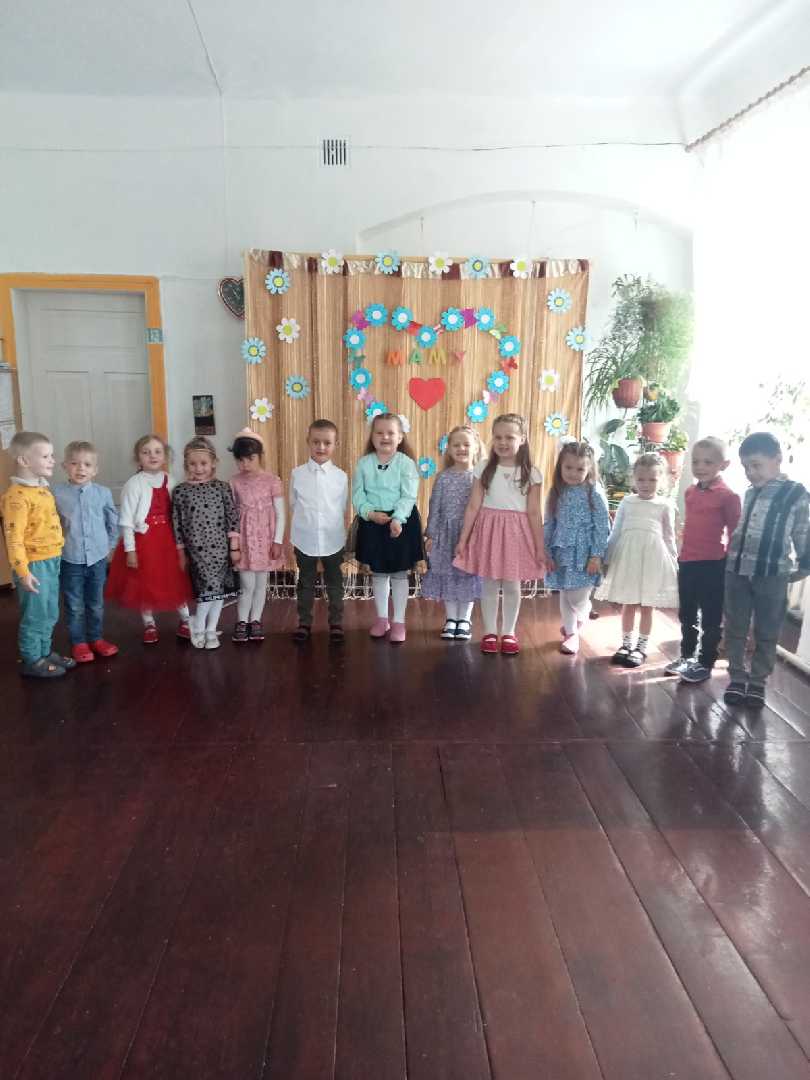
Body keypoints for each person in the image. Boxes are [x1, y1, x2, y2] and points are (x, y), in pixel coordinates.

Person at [723, 431, 809, 708]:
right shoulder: (750, 492)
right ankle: (737, 676)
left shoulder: (795, 493)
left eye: (756, 465)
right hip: (737, 570)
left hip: (772, 574)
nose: (750, 472)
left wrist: (805, 564)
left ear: (777, 460)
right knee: (735, 627)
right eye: (746, 467)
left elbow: (802, 531)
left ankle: (758, 681)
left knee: (767, 630)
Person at [453, 413, 545, 655]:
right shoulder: (484, 468)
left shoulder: (532, 473)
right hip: (489, 531)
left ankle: (509, 632)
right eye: (498, 437)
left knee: (512, 584)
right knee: (490, 583)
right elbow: (473, 506)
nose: (503, 442)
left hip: (517, 534)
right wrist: (463, 539)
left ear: (522, 439)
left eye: (509, 437)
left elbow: (535, 512)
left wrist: (539, 546)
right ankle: (490, 632)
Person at [665, 436, 741, 684]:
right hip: (688, 562)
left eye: (708, 462)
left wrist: (730, 565)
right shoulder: (690, 492)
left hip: (713, 565)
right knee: (687, 613)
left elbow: (735, 533)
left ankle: (705, 662)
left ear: (724, 465)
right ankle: (686, 655)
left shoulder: (728, 496)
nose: (700, 467)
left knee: (711, 616)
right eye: (696, 461)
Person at [1, 431, 76, 677]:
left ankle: (44, 652)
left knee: (50, 611)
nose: (52, 460)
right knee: (35, 614)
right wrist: (23, 572)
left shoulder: (42, 489)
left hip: (52, 559)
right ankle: (32, 659)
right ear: (24, 461)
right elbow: (14, 539)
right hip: (34, 565)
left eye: (51, 455)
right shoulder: (16, 497)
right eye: (46, 456)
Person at [105, 434, 192, 644]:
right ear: (138, 458)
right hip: (145, 541)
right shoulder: (134, 484)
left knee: (173, 578)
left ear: (165, 456)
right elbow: (126, 520)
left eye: (157, 452)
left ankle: (187, 620)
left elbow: (178, 512)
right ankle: (149, 623)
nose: (152, 456)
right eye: (146, 452)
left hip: (168, 539)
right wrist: (130, 550)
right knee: (145, 581)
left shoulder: (171, 481)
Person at [595, 452, 678, 667]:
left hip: (652, 560)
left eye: (652, 479)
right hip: (629, 558)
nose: (646, 484)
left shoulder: (664, 505)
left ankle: (641, 647)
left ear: (661, 480)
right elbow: (616, 531)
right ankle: (626, 644)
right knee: (629, 603)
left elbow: (669, 536)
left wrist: (674, 561)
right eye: (641, 479)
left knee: (648, 605)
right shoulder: (627, 502)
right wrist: (608, 557)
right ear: (633, 479)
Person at [352, 412, 423, 644]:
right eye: (379, 432)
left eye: (390, 433)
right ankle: (382, 619)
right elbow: (358, 495)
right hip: (373, 522)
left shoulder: (406, 464)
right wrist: (370, 513)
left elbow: (409, 495)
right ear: (372, 437)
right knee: (379, 572)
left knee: (399, 573)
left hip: (401, 522)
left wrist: (397, 519)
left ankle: (399, 621)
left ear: (400, 437)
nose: (385, 437)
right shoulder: (364, 463)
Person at [53, 440, 120, 663]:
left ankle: (96, 638)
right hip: (70, 558)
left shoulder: (103, 493)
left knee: (96, 603)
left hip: (97, 558)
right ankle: (79, 642)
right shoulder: (55, 493)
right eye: (74, 463)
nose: (81, 468)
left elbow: (112, 521)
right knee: (74, 604)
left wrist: (110, 546)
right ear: (64, 466)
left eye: (87, 464)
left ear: (95, 469)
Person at [172, 437, 240, 650]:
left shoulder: (222, 487)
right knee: (206, 591)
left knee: (218, 592)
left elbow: (232, 517)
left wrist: (234, 547)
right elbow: (176, 523)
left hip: (220, 550)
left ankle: (210, 629)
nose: (199, 468)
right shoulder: (180, 491)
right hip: (196, 551)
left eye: (203, 463)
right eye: (193, 464)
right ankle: (199, 626)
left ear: (213, 463)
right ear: (186, 465)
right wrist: (180, 552)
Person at [543, 440, 610, 655]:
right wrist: (546, 551)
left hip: (584, 553)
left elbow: (602, 526)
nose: (573, 473)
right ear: (560, 466)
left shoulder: (594, 492)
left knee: (578, 596)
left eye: (580, 469)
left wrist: (596, 555)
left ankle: (583, 613)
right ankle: (571, 633)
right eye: (568, 467)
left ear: (589, 469)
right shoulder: (556, 491)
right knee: (565, 591)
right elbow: (549, 522)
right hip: (561, 549)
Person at [421, 425, 482, 641]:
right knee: (447, 574)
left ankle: (464, 619)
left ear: (476, 448)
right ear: (448, 449)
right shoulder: (443, 477)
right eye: (456, 445)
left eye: (466, 444)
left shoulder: (479, 477)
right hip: (445, 535)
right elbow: (435, 506)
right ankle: (451, 618)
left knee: (467, 576)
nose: (461, 448)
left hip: (470, 534)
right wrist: (431, 534)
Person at [289, 419, 348, 643]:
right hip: (305, 538)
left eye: (327, 443)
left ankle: (336, 623)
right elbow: (294, 505)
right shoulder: (297, 474)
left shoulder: (341, 477)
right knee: (305, 582)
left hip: (333, 539)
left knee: (335, 582)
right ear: (308, 442)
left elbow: (342, 507)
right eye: (316, 442)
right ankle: (304, 623)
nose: (321, 447)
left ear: (335, 444)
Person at [229, 427, 285, 643]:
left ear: (260, 456)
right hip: (244, 540)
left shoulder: (272, 481)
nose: (245, 464)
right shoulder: (234, 482)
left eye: (250, 458)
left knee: (261, 583)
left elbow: (280, 514)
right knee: (247, 584)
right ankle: (241, 621)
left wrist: (277, 541)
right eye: (240, 460)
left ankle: (256, 620)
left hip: (265, 540)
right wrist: (234, 544)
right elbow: (231, 515)